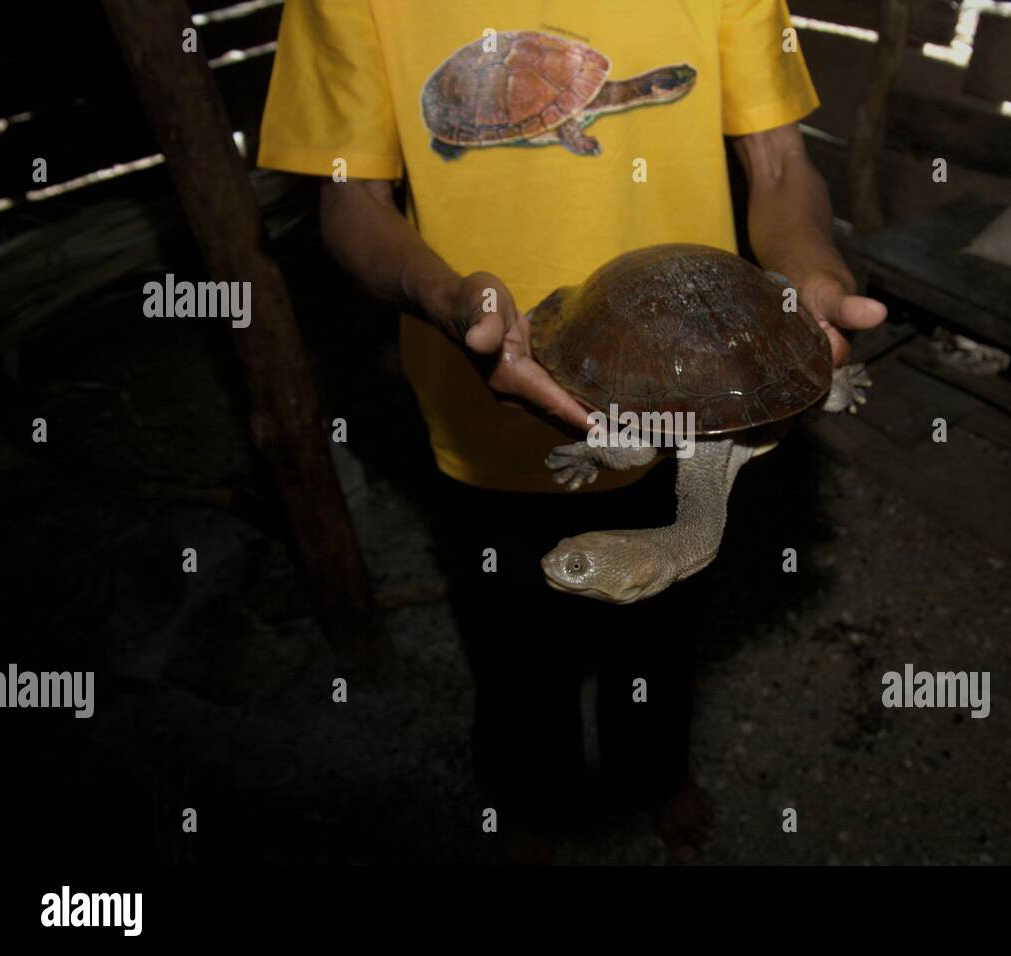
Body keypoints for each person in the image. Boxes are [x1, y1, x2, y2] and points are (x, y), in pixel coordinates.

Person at [258, 0, 886, 863]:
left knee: (667, 625)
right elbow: (347, 198)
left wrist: (812, 270)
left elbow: (780, 160)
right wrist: (445, 300)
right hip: (485, 394)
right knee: (515, 637)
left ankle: (655, 775)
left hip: (698, 387)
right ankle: (531, 798)